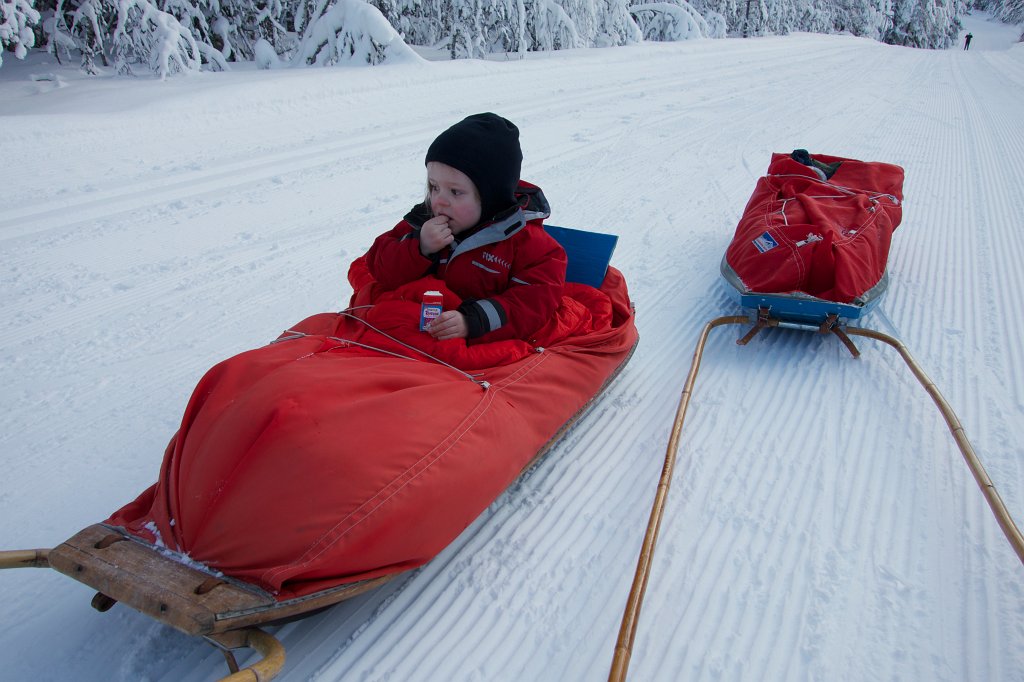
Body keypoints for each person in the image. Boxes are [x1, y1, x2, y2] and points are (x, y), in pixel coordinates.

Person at [364, 112, 567, 344]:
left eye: (455, 192)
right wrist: (420, 247)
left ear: (491, 197)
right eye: (434, 186)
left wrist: (473, 320)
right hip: (414, 331)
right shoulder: (425, 221)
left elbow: (532, 303)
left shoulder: (531, 247)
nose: (439, 200)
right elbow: (379, 268)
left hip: (474, 339)